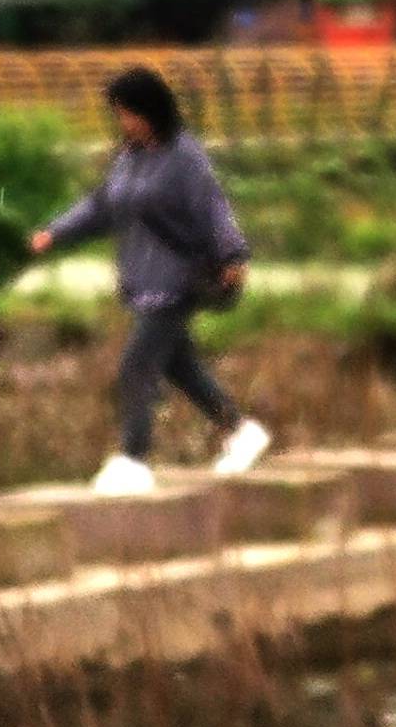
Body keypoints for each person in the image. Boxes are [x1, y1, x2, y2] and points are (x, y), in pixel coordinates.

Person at [30, 68, 269, 494]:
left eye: (129, 114)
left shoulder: (184, 157)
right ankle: (240, 429)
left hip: (179, 279)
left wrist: (232, 255)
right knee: (179, 366)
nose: (124, 123)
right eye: (120, 115)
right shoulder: (128, 159)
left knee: (137, 365)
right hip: (142, 278)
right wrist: (57, 231)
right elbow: (101, 206)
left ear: (152, 111)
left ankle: (133, 458)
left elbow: (211, 206)